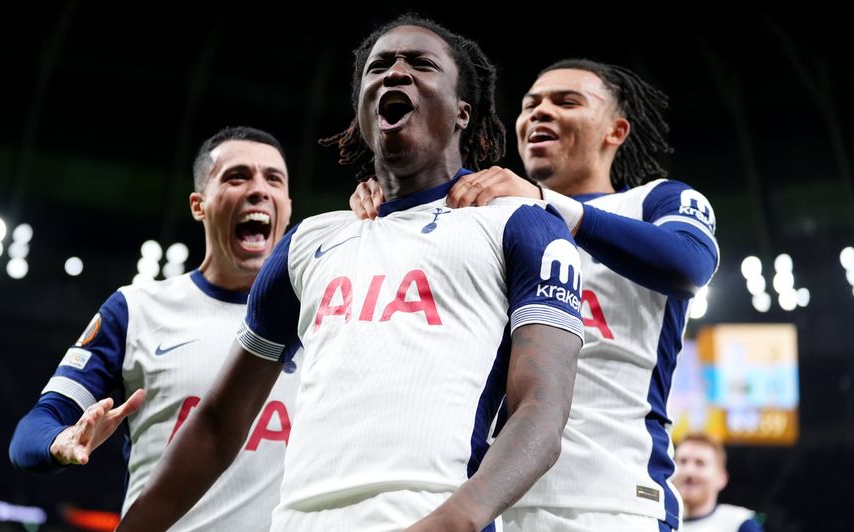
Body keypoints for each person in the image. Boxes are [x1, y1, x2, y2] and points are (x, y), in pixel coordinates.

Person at [118, 15, 584, 532]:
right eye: (379, 66)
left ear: (461, 112)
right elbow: (218, 425)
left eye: (421, 64)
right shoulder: (310, 241)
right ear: (363, 113)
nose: (395, 73)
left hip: (430, 513)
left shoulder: (521, 226)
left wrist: (454, 521)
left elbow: (541, 411)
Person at [352, 59, 719, 531]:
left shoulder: (654, 201)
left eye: (566, 102)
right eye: (530, 105)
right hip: (491, 503)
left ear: (616, 130)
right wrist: (388, 203)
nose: (540, 112)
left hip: (613, 503)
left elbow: (689, 264)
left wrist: (549, 204)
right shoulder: (489, 215)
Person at [9, 126, 298, 531]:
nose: (258, 189)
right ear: (199, 205)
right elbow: (31, 432)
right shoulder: (136, 309)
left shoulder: (319, 316)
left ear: (287, 205)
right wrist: (60, 442)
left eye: (273, 179)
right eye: (237, 176)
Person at [673, 433, 765, 531]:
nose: (689, 471)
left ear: (721, 478)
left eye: (700, 463)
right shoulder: (660, 521)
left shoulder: (739, 524)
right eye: (682, 461)